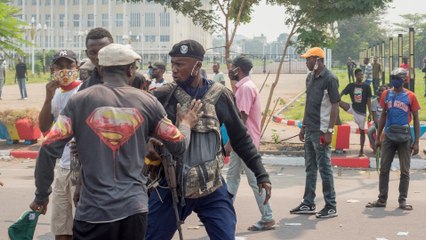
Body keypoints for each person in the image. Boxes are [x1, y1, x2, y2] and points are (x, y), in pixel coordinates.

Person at [29, 43, 201, 240]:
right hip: (134, 210)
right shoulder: (147, 102)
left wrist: (42, 196)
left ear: (100, 69)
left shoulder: (78, 102)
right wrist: (186, 123)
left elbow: (49, 148)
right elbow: (179, 146)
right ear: (130, 70)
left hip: (93, 214)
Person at [147, 40, 272, 239]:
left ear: (197, 66)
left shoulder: (221, 96)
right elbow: (143, 131)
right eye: (173, 64)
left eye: (180, 64)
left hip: (212, 188)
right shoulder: (163, 96)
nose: (175, 70)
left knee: (225, 235)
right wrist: (149, 144)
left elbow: (240, 138)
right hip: (171, 187)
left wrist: (261, 174)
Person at [226, 55, 275, 231]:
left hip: (244, 143)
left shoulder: (245, 88)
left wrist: (230, 142)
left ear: (238, 70)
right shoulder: (247, 86)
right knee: (232, 177)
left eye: (232, 68)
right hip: (244, 141)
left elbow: (242, 118)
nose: (230, 71)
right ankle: (223, 212)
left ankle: (268, 216)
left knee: (254, 180)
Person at [38, 49, 83, 240]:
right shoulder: (55, 94)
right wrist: (48, 97)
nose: (65, 71)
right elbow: (44, 128)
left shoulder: (83, 90)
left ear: (77, 68)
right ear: (52, 69)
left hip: (80, 167)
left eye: (69, 66)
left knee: (82, 227)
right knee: (61, 228)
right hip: (62, 167)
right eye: (59, 67)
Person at [290, 47, 340, 219]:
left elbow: (335, 105)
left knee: (324, 168)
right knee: (310, 167)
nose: (306, 62)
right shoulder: (310, 77)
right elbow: (308, 103)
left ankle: (331, 205)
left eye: (308, 59)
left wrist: (330, 131)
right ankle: (308, 202)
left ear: (317, 60)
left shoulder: (330, 79)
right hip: (310, 128)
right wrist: (303, 127)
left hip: (321, 130)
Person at [366, 68, 420, 211]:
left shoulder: (411, 96)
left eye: (397, 78)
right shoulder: (386, 94)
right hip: (389, 136)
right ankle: (382, 199)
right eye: (393, 78)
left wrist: (416, 142)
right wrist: (378, 137)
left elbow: (415, 118)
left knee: (405, 171)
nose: (394, 81)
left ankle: (402, 200)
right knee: (384, 169)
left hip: (404, 137)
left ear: (403, 80)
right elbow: (383, 114)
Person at [339, 68, 373, 157]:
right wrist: (337, 96)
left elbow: (369, 101)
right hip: (352, 108)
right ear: (355, 76)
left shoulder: (366, 87)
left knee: (362, 131)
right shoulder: (351, 86)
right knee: (337, 101)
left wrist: (370, 114)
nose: (361, 76)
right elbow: (342, 93)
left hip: (361, 113)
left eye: (362, 75)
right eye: (359, 75)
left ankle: (361, 150)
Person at [78, 27, 114, 91]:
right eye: (93, 53)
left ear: (113, 49)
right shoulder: (85, 88)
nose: (98, 57)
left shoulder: (134, 80)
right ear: (87, 54)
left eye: (103, 51)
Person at [367, 85, 389, 151]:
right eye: (380, 90)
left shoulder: (388, 102)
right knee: (369, 131)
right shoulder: (373, 102)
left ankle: (387, 149)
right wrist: (378, 126)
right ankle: (375, 148)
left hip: (387, 122)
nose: (381, 92)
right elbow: (374, 116)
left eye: (383, 90)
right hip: (377, 123)